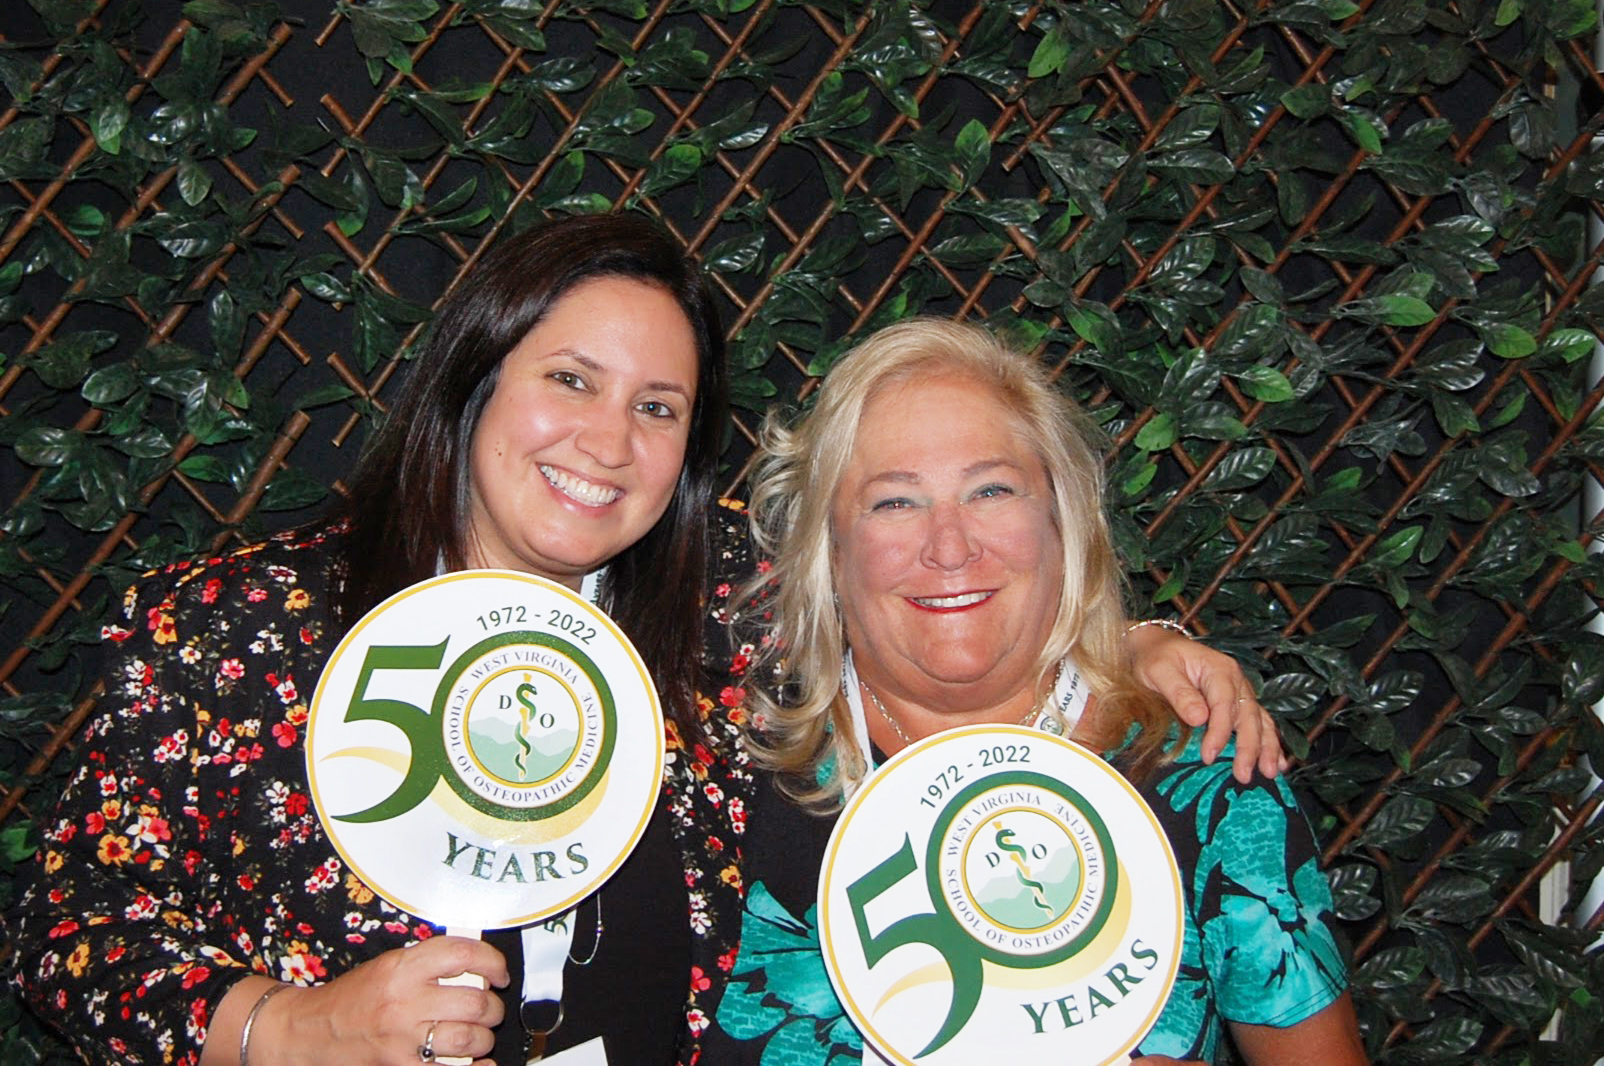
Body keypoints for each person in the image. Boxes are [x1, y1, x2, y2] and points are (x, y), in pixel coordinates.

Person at [11, 213, 1284, 1066]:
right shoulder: (233, 625)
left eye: (656, 405)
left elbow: (940, 593)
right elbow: (64, 921)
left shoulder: (722, 614)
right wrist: (279, 1030)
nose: (607, 442)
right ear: (474, 379)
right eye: (569, 380)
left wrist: (1134, 642)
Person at [701, 318, 1367, 1066]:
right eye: (894, 501)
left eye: (990, 490)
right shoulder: (731, 764)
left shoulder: (1205, 776)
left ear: (1063, 522)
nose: (949, 547)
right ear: (829, 547)